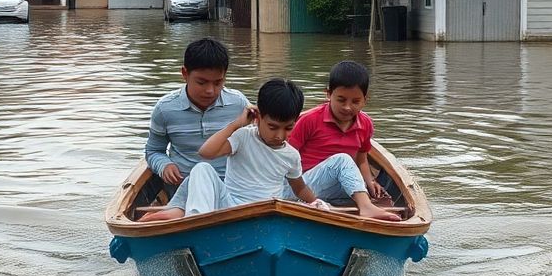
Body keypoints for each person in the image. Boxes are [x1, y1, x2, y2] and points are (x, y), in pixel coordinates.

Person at [147, 78, 329, 219]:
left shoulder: (291, 155)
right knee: (201, 169)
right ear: (258, 119)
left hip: (268, 212)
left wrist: (316, 202)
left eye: (288, 128)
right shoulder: (243, 137)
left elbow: (299, 189)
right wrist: (236, 125)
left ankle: (179, 212)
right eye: (273, 127)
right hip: (230, 206)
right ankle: (196, 220)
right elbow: (206, 152)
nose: (280, 135)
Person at [140, 37, 248, 222]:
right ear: (185, 74)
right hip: (183, 188)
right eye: (202, 82)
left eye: (218, 83)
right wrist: (165, 165)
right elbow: (153, 151)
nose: (210, 91)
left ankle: (183, 217)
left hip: (228, 189)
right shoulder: (165, 109)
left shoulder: (238, 104)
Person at [286, 60, 401, 220]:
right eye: (341, 100)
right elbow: (286, 156)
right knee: (343, 160)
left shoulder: (365, 124)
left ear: (365, 100)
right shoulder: (309, 120)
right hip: (301, 186)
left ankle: (365, 205)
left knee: (380, 196)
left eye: (355, 102)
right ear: (328, 94)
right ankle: (366, 207)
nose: (347, 107)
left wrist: (370, 181)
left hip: (332, 187)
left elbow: (361, 159)